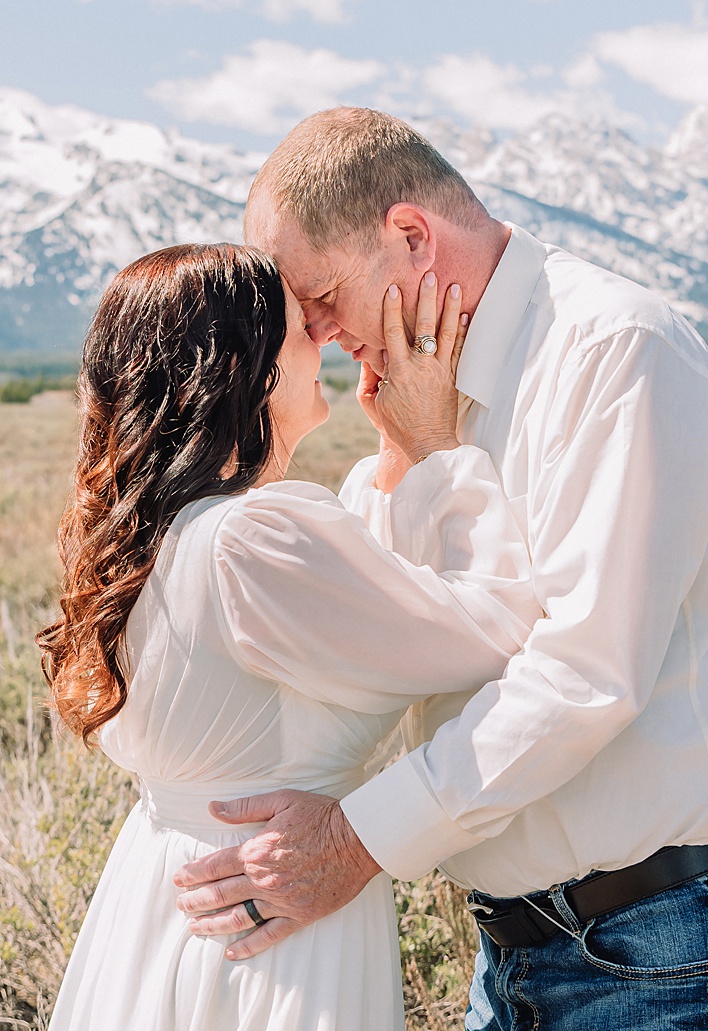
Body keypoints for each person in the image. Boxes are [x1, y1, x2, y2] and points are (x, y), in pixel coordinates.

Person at [174, 109, 708, 1030]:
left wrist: (353, 842)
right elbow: (409, 638)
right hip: (519, 950)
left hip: (666, 946)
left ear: (409, 236)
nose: (310, 332)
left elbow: (584, 673)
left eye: (317, 296)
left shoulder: (614, 353)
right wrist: (409, 454)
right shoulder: (428, 389)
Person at [42, 242, 543, 1031]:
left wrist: (395, 453)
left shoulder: (156, 541)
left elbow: (362, 607)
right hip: (269, 927)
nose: (331, 338)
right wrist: (443, 447)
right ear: (248, 367)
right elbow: (495, 629)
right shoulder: (253, 538)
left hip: (161, 902)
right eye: (302, 326)